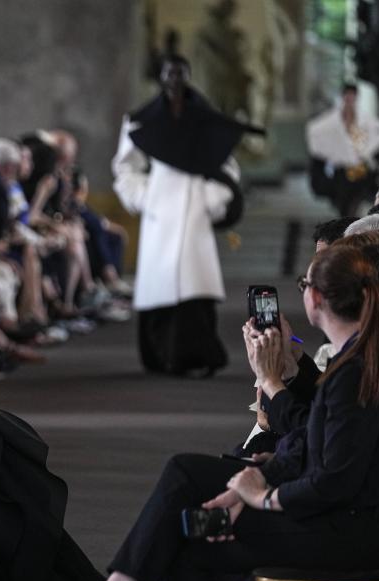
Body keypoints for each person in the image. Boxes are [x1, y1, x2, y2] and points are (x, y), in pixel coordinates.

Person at [45, 243, 379, 581]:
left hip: (350, 534)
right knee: (188, 491)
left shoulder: (354, 371)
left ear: (316, 298)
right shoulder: (360, 360)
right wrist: (254, 480)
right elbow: (321, 447)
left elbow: (335, 479)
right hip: (352, 522)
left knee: (192, 539)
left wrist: (263, 496)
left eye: (304, 283)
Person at [112, 54, 259, 377]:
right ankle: (160, 356)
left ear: (189, 76)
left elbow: (227, 168)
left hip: (195, 206)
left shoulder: (206, 118)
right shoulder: (141, 120)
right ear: (161, 77)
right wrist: (143, 196)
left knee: (195, 288)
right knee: (160, 286)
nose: (175, 80)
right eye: (169, 74)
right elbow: (126, 167)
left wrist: (213, 198)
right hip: (159, 208)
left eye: (181, 74)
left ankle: (195, 356)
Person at [306, 83, 379, 217]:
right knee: (343, 202)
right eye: (347, 96)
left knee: (355, 201)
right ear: (343, 97)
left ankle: (349, 225)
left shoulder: (364, 120)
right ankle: (346, 225)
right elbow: (316, 131)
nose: (349, 99)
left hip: (360, 170)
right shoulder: (333, 120)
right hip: (341, 171)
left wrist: (367, 153)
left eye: (352, 96)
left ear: (356, 98)